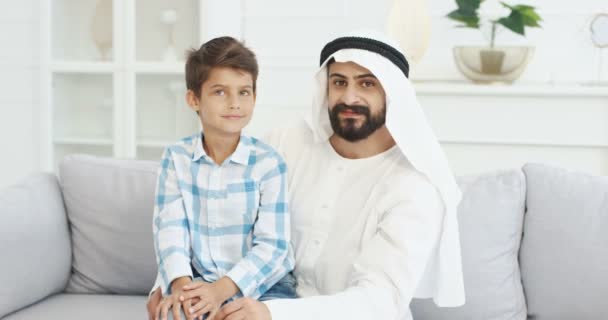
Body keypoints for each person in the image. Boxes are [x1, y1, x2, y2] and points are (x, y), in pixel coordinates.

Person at [148, 31, 465, 320]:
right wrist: (171, 288)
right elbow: (208, 223)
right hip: (252, 304)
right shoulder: (284, 144)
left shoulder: (415, 188)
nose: (349, 98)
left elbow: (380, 301)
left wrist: (271, 314)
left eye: (367, 84)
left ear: (393, 94)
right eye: (339, 82)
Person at [149, 36, 296, 320]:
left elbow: (273, 246)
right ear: (194, 99)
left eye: (244, 92)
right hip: (199, 281)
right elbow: (171, 231)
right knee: (171, 315)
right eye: (220, 92)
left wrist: (221, 292)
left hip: (263, 285)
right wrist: (181, 287)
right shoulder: (176, 158)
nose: (234, 104)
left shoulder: (269, 164)